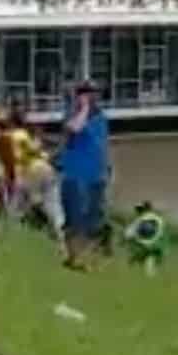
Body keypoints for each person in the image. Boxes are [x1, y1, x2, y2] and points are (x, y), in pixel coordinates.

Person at [58, 82, 111, 271]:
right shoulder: (72, 116)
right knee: (75, 219)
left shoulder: (101, 117)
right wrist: (83, 108)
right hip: (76, 176)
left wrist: (107, 168)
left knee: (93, 221)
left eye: (95, 94)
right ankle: (74, 258)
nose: (93, 97)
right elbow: (74, 129)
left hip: (96, 176)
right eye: (87, 94)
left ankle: (85, 258)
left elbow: (102, 144)